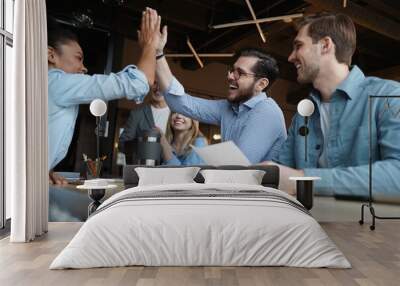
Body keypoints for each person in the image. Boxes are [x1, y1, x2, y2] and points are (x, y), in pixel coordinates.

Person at [267, 12, 400, 197]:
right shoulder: (303, 114)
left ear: (325, 45)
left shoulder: (388, 96)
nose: (290, 57)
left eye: (298, 46)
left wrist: (303, 180)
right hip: (307, 221)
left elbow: (397, 175)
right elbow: (282, 170)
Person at [48, 8, 161, 184]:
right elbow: (140, 82)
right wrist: (150, 45)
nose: (84, 67)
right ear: (51, 55)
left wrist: (47, 171)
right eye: (79, 58)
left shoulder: (44, 86)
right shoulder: (56, 82)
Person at [155, 26, 287, 164]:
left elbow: (239, 166)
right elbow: (181, 104)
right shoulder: (228, 107)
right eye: (232, 70)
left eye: (240, 73)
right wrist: (158, 54)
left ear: (261, 84)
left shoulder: (267, 112)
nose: (230, 76)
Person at [119, 81, 170, 163]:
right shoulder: (137, 114)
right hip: (144, 170)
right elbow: (123, 143)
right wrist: (145, 146)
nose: (158, 88)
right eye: (155, 83)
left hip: (171, 170)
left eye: (161, 83)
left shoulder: (177, 115)